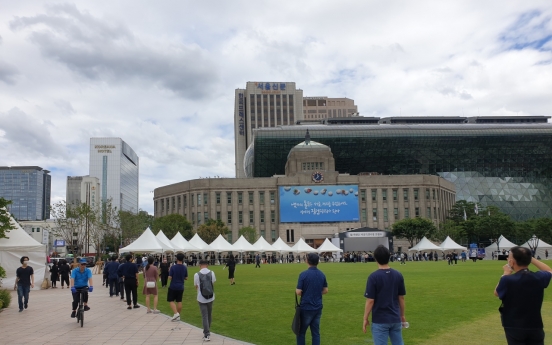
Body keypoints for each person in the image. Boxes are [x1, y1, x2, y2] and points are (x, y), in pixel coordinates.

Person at [494, 246, 552, 344]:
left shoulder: (508, 279)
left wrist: (506, 273)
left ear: (512, 262)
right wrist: (530, 258)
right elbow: (549, 271)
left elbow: (497, 292)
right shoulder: (538, 277)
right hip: (535, 324)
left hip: (513, 325)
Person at [363, 245, 407, 345]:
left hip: (380, 319)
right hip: (395, 318)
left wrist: (365, 318)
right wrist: (402, 315)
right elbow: (401, 298)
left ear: (376, 259)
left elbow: (370, 300)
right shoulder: (398, 274)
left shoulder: (373, 277)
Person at [295, 253, 328, 345]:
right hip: (317, 306)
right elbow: (325, 290)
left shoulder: (303, 274)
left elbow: (298, 291)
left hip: (306, 306)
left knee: (301, 332)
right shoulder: (322, 274)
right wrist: (316, 292)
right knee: (316, 333)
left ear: (307, 261)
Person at [194, 259, 216, 341]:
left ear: (200, 265)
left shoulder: (196, 274)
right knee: (209, 314)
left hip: (201, 297)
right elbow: (213, 283)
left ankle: (206, 334)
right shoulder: (212, 273)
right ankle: (207, 331)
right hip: (210, 296)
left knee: (204, 315)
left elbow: (196, 286)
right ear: (207, 265)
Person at [168, 253, 188, 321]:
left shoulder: (173, 267)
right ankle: (178, 315)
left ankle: (176, 313)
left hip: (173, 286)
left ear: (176, 259)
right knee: (179, 301)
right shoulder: (184, 267)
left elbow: (170, 277)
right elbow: (186, 278)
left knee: (171, 300)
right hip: (181, 286)